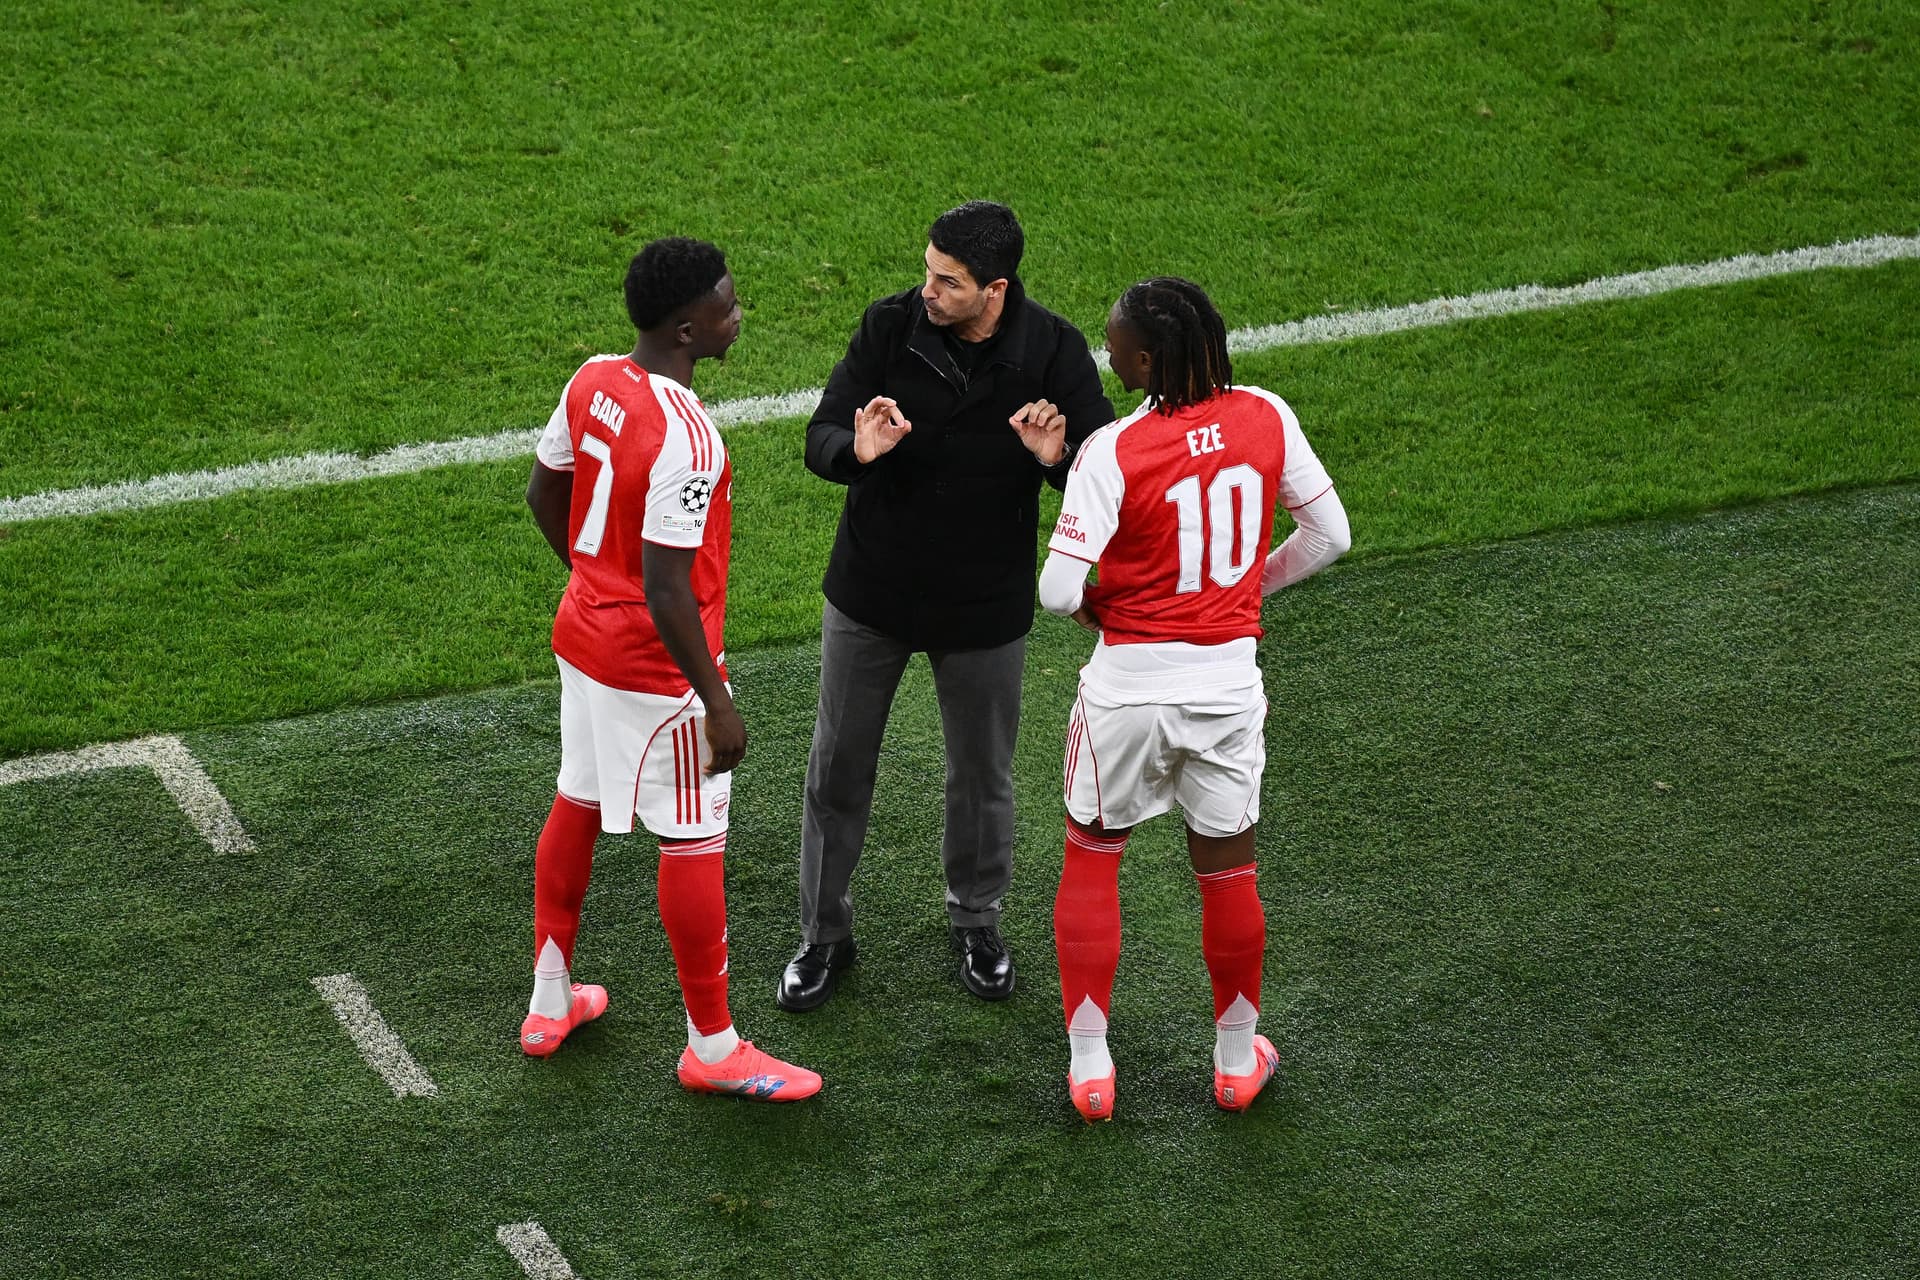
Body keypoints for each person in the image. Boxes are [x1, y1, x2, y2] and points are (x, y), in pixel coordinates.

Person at [779, 201, 1116, 1010]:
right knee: (837, 768)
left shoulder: (1055, 349)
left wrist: (1057, 458)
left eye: (948, 281)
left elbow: (1105, 473)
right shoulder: (888, 326)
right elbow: (820, 436)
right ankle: (823, 934)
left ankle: (977, 922)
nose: (926, 290)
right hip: (872, 593)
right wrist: (857, 450)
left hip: (982, 605)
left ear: (995, 289)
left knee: (982, 776)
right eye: (928, 272)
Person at [1038, 276, 1351, 1122]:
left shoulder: (1113, 449)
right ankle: (1236, 1064)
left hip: (1126, 692)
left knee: (1093, 856)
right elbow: (1330, 536)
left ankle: (1092, 1071)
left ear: (1147, 361)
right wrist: (1246, 593)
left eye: (1116, 348)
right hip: (1225, 687)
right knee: (1228, 872)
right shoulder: (1267, 415)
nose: (1108, 358)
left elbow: (1058, 592)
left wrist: (1103, 606)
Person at [520, 237, 821, 1102]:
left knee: (578, 795)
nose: (739, 315)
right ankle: (713, 1048)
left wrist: (594, 583)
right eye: (728, 306)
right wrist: (716, 701)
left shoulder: (590, 380)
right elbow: (667, 587)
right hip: (657, 673)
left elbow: (543, 492)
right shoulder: (690, 440)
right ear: (688, 329)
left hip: (583, 641)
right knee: (694, 839)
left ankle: (549, 1001)